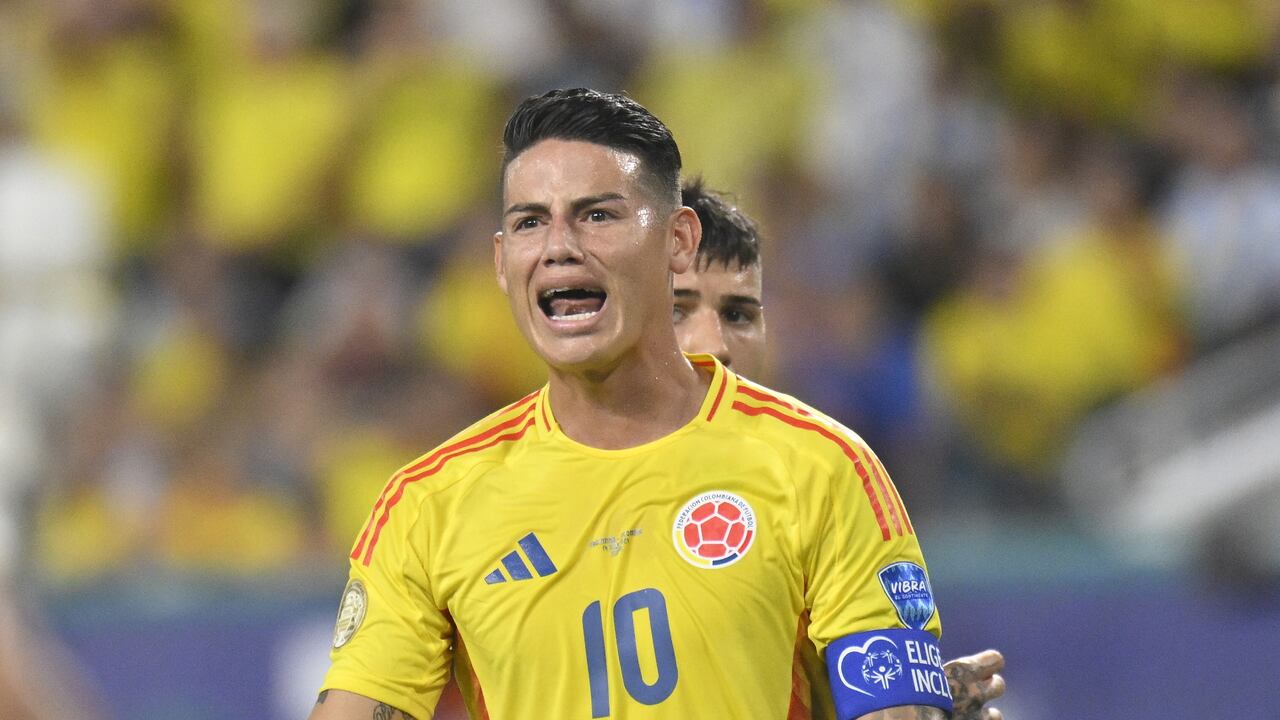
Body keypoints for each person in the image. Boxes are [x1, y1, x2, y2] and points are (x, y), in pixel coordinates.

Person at [311, 88, 955, 719]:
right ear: (503, 262)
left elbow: (892, 706)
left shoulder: (819, 467)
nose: (560, 245)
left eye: (597, 215)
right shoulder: (429, 507)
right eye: (531, 221)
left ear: (678, 242)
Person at [674, 179, 1006, 720]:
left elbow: (887, 705)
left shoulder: (828, 473)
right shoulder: (503, 482)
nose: (713, 345)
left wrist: (913, 709)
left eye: (739, 315)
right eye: (676, 310)